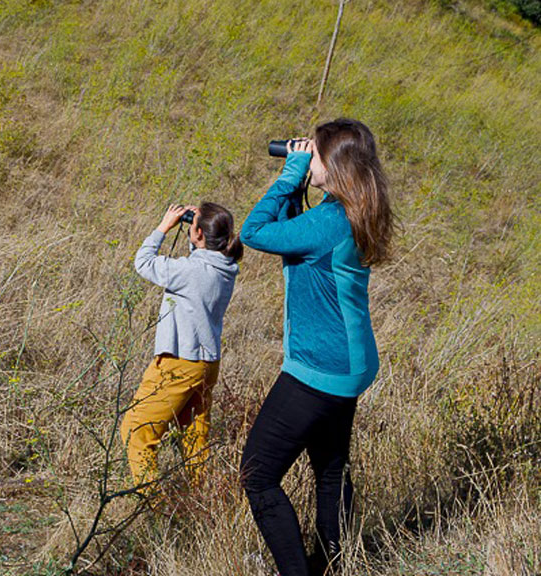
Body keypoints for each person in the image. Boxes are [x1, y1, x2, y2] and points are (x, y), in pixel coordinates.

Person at [239, 119, 394, 576]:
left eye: (317, 155)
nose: (311, 160)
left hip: (319, 370)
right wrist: (303, 177)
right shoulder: (353, 207)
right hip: (350, 365)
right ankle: (332, 565)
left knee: (258, 474)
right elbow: (293, 239)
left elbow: (255, 233)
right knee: (330, 471)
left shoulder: (328, 222)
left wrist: (290, 173)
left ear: (337, 165)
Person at [121, 202, 242, 493]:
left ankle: (153, 508)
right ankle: (200, 501)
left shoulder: (189, 271)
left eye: (192, 223)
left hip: (179, 362)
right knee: (194, 439)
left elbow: (144, 262)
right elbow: (200, 262)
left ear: (199, 232)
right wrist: (195, 232)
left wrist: (164, 226)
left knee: (137, 431)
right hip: (206, 364)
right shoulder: (224, 267)